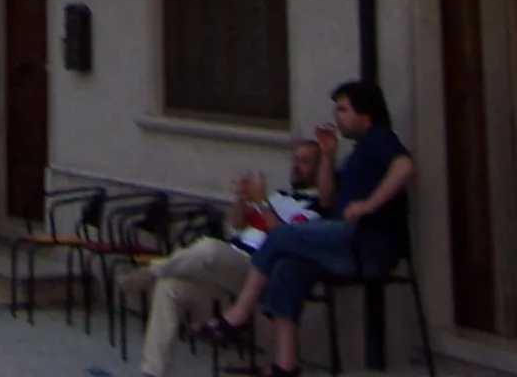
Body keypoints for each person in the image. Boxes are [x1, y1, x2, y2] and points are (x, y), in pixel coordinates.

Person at [202, 81, 416, 377]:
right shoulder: (358, 152)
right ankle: (285, 366)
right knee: (289, 267)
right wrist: (328, 154)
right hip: (344, 242)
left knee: (280, 236)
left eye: (343, 109)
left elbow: (405, 167)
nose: (337, 116)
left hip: (367, 244)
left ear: (365, 113)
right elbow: (327, 198)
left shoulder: (379, 138)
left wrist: (368, 205)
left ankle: (238, 315)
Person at [116, 141, 322, 377]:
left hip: (259, 272)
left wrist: (263, 203)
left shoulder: (312, 209)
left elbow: (284, 238)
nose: (297, 166)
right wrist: (241, 200)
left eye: (305, 161)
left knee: (209, 248)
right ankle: (153, 372)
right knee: (168, 288)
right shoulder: (279, 197)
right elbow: (237, 229)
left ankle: (151, 271)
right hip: (232, 262)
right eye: (295, 160)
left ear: (319, 168)